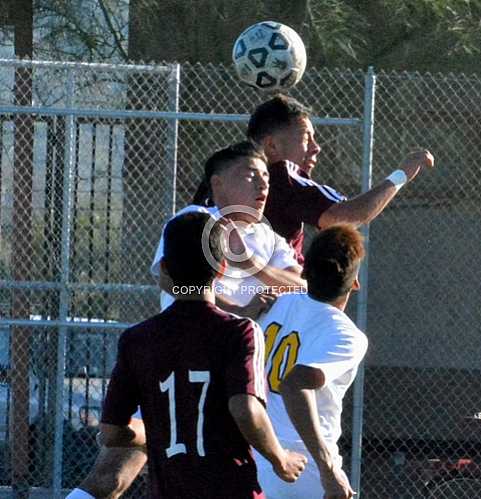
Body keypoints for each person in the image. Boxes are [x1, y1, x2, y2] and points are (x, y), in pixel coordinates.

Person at [68, 212, 307, 499]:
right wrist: (280, 458)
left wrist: (157, 431)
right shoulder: (240, 331)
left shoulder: (137, 339)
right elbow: (246, 409)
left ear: (165, 269)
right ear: (222, 268)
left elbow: (111, 433)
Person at [194, 94, 434, 265]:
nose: (316, 148)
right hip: (268, 308)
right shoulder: (282, 174)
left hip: (211, 300)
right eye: (307, 138)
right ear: (272, 145)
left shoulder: (219, 174)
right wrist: (402, 174)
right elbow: (345, 216)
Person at [254, 223, 368, 498]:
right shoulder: (347, 335)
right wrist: (328, 470)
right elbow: (295, 385)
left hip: (258, 452)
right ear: (354, 283)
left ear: (304, 272)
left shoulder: (280, 303)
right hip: (302, 465)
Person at [152, 140, 305, 312]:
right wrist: (237, 312)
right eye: (252, 175)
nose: (263, 184)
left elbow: (304, 287)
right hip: (193, 333)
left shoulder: (269, 237)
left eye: (265, 176)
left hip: (248, 336)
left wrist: (250, 264)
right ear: (218, 184)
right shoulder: (196, 219)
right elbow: (171, 282)